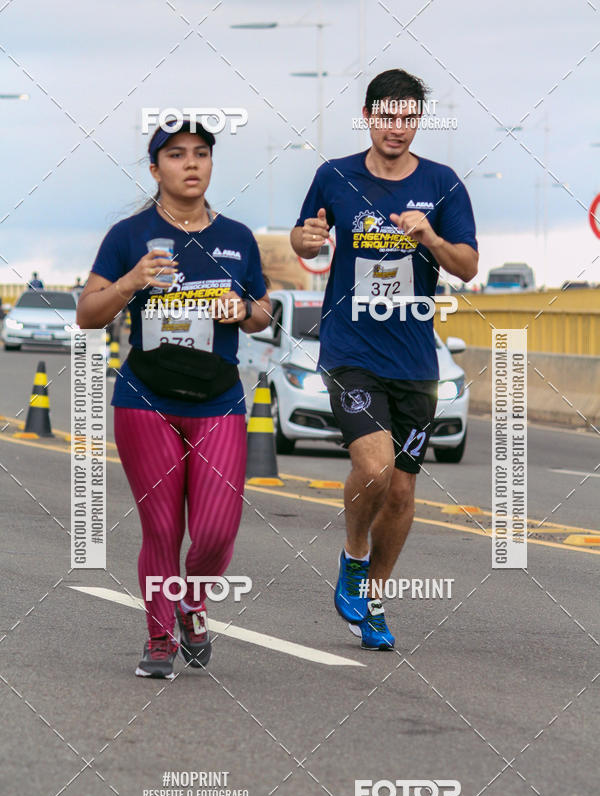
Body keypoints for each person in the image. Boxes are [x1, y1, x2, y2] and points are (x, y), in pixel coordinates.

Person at [291, 69, 478, 650]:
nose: (396, 128)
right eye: (386, 116)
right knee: (372, 468)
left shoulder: (443, 184)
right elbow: (303, 238)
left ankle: (373, 598)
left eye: (408, 118)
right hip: (351, 350)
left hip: (416, 359)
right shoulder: (335, 177)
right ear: (369, 116)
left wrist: (430, 240)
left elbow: (468, 266)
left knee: (399, 491)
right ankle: (353, 557)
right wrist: (307, 240)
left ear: (418, 120)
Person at [77, 117, 271, 678]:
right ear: (156, 167)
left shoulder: (236, 238)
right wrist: (131, 280)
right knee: (161, 529)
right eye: (177, 154)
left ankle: (192, 600)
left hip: (218, 401)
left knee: (214, 530)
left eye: (202, 153)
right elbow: (89, 314)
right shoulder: (129, 236)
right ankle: (159, 637)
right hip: (146, 400)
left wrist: (245, 311)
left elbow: (262, 312)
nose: (191, 164)